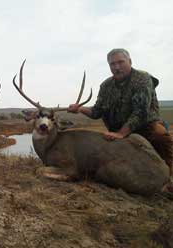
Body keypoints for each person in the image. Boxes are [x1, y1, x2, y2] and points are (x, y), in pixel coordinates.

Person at [67, 48, 173, 182]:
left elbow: (140, 112)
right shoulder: (106, 86)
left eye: (120, 62)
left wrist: (121, 134)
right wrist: (80, 109)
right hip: (117, 131)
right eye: (112, 64)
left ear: (130, 61)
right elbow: (96, 112)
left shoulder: (142, 78)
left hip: (145, 127)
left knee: (160, 136)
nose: (116, 67)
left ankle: (169, 178)